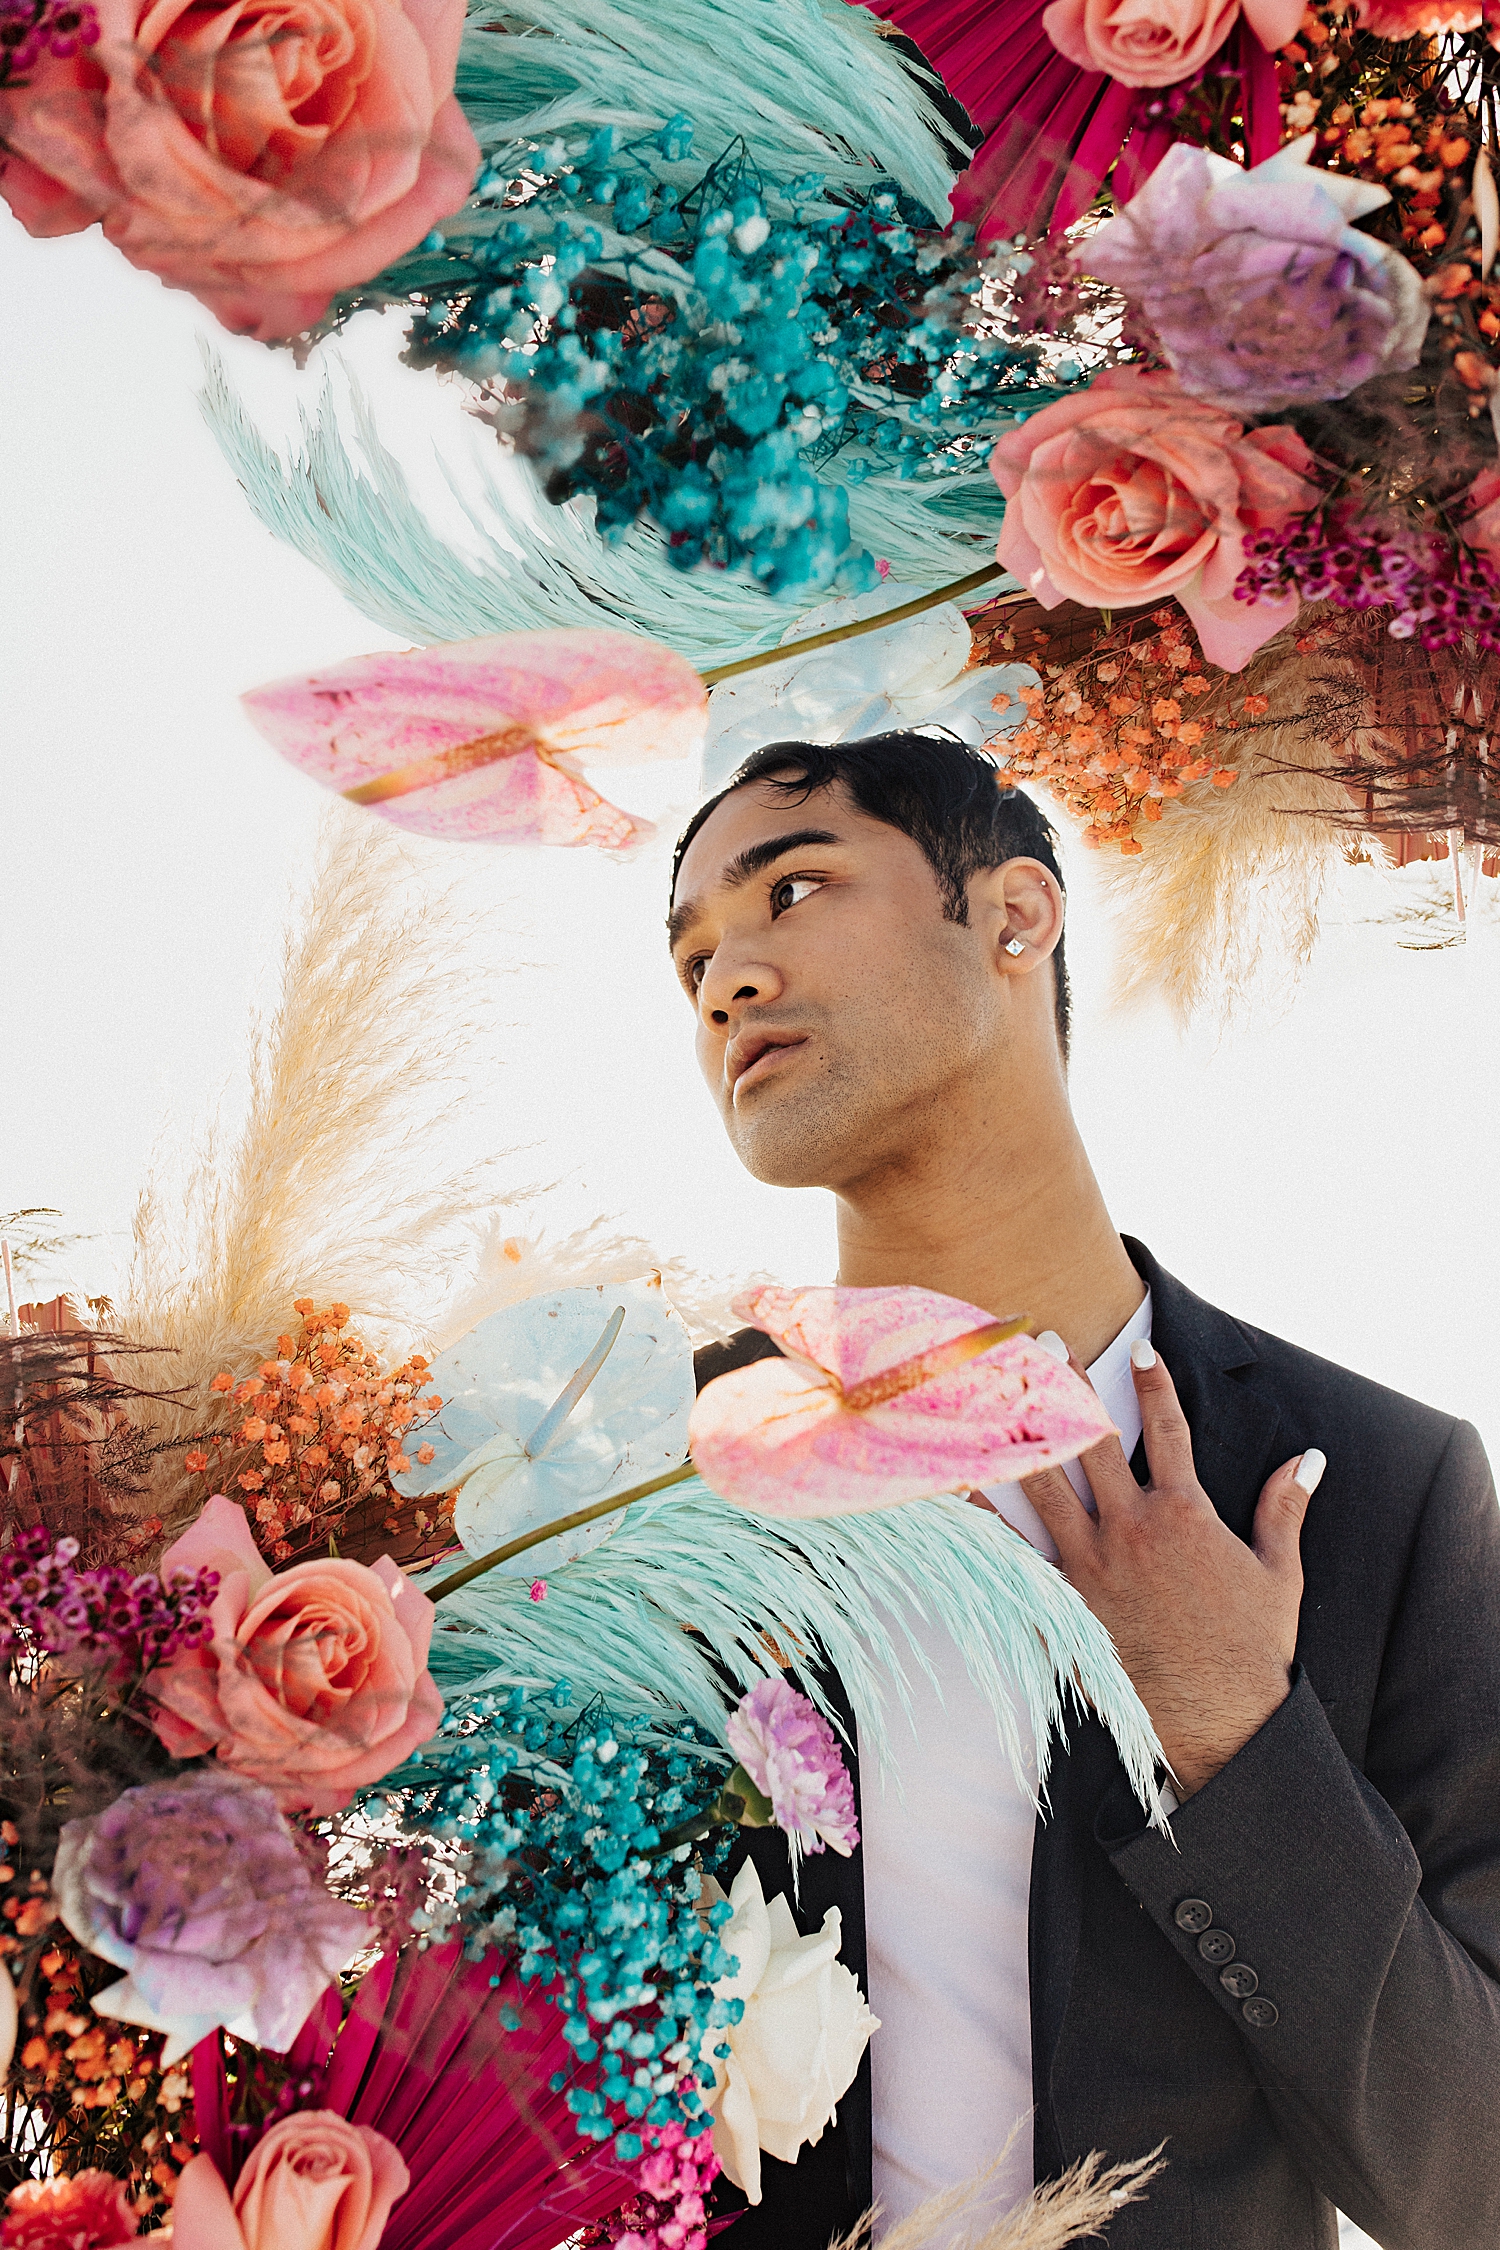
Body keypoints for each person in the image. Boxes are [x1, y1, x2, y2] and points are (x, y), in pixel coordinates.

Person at [667, 732, 1500, 2250]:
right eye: (695, 958)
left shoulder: (1383, 1485)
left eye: (791, 888)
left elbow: (1478, 2168)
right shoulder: (642, 1492)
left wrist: (1236, 1738)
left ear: (1014, 916)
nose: (728, 976)